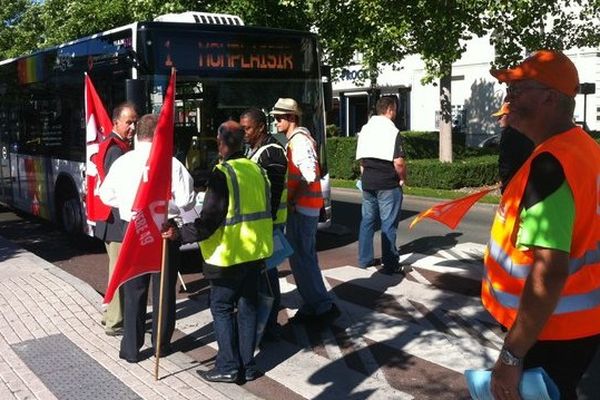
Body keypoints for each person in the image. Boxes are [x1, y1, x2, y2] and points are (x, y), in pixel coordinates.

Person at [483, 49, 600, 399]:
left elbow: (548, 271)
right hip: (573, 329)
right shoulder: (584, 149)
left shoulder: (550, 165)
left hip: (549, 336)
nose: (508, 98)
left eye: (518, 90)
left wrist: (511, 354)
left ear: (550, 98)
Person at [173, 120, 273, 383]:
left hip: (227, 256)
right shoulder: (257, 170)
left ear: (220, 142)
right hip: (255, 253)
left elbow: (209, 222)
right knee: (248, 308)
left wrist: (179, 234)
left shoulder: (223, 173)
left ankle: (228, 365)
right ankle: (248, 366)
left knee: (221, 307)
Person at [99, 114, 195, 362]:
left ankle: (131, 348)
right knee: (164, 290)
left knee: (134, 290)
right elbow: (187, 200)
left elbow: (105, 195)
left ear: (139, 134)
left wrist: (127, 204)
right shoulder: (171, 163)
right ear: (160, 134)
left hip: (134, 227)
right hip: (163, 228)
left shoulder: (123, 162)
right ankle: (161, 344)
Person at [270, 98, 340, 324]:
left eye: (279, 117)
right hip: (304, 208)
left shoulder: (299, 142)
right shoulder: (298, 139)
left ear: (291, 118)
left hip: (301, 209)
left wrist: (291, 200)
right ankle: (315, 304)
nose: (276, 121)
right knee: (303, 259)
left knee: (303, 259)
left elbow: (309, 174)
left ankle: (322, 306)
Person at [240, 108, 287, 341]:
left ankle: (270, 324)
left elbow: (275, 191)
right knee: (263, 275)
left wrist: (266, 222)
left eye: (247, 128)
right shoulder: (255, 150)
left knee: (268, 275)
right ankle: (266, 321)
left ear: (260, 127)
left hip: (270, 224)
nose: (244, 133)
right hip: (260, 225)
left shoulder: (272, 152)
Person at [94, 102, 137, 336]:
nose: (132, 126)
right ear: (116, 122)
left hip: (110, 220)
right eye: (128, 122)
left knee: (117, 268)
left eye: (135, 122)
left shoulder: (117, 145)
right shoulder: (115, 150)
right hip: (115, 221)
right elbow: (116, 189)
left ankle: (111, 314)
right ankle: (115, 321)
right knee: (119, 270)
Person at [355, 96, 407, 274]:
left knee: (367, 221)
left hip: (368, 181)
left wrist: (366, 177)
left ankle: (364, 259)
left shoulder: (365, 129)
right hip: (387, 183)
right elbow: (398, 162)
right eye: (395, 109)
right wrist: (402, 178)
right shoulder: (392, 131)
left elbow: (361, 159)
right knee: (388, 223)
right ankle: (390, 263)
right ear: (390, 109)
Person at [492, 102, 534, 193]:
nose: (498, 120)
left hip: (513, 184)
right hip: (525, 182)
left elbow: (506, 162)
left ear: (509, 116)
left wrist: (505, 181)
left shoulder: (508, 134)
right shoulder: (526, 132)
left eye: (501, 117)